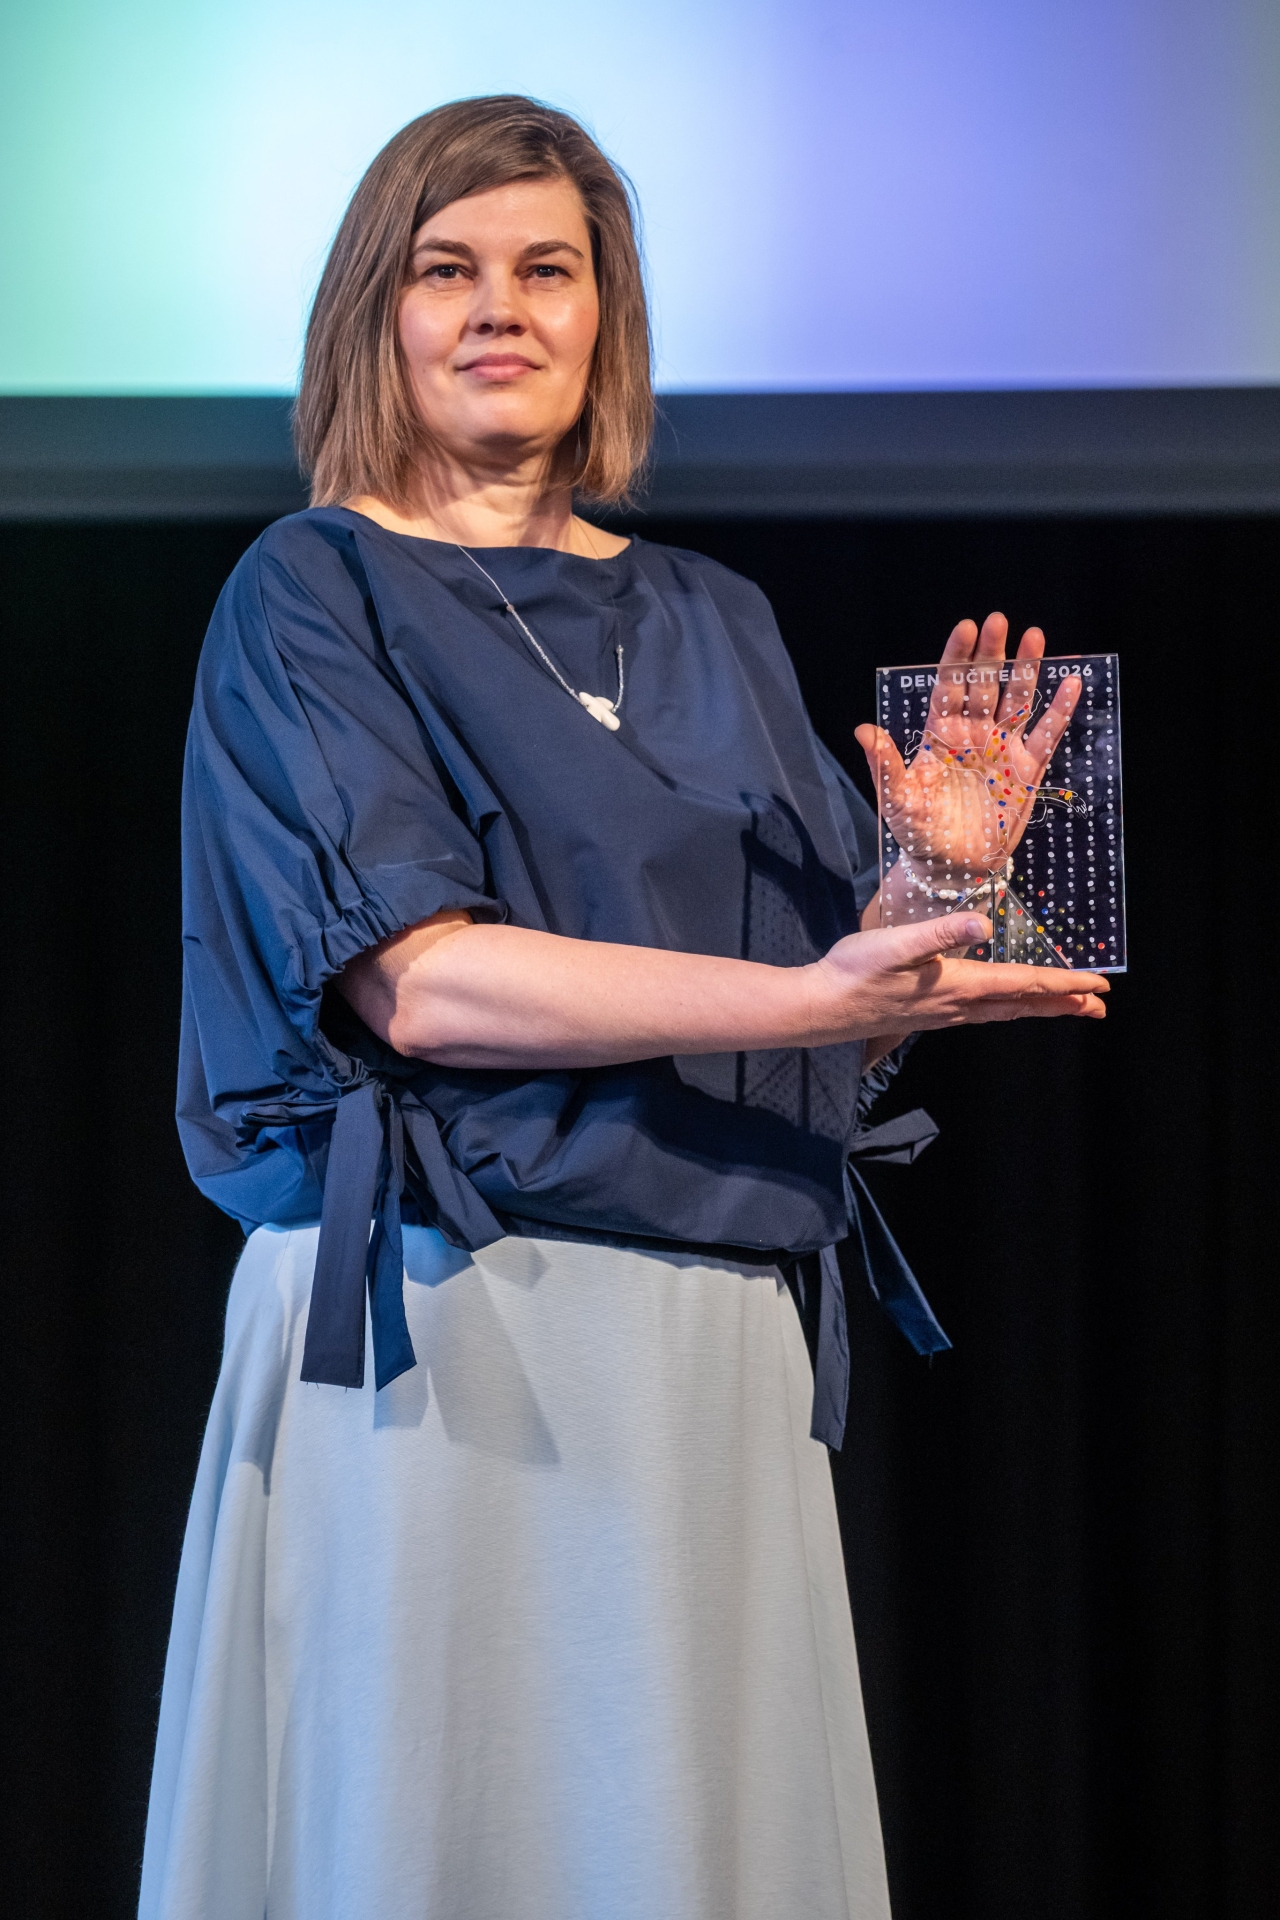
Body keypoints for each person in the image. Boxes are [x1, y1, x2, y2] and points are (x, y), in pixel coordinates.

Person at [139, 95, 1106, 1920]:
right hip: (443, 1322)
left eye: (548, 270)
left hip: (706, 1350)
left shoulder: (714, 616)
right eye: (447, 269)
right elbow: (426, 983)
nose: (500, 309)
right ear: (376, 310)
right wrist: (813, 991)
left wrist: (935, 892)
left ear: (607, 318)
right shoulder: (311, 589)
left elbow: (825, 1020)